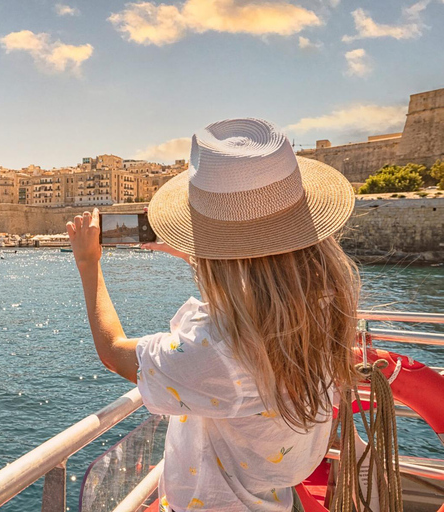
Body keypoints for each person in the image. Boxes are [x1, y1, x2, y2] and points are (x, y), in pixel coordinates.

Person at [66, 119, 359, 512]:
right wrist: (203, 250)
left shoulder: (222, 349)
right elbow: (261, 280)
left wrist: (88, 264)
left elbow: (113, 350)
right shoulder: (324, 306)